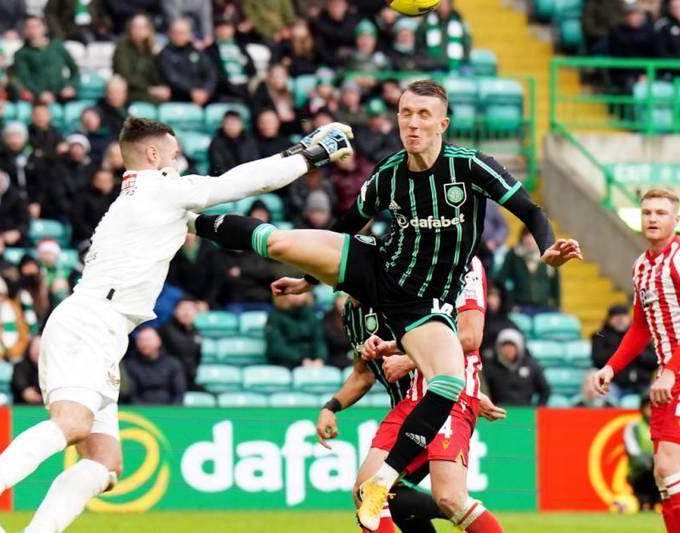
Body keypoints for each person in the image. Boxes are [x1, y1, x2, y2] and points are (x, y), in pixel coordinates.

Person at [190, 79, 581, 530]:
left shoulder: (470, 167)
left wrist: (547, 247)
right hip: (376, 267)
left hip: (421, 304)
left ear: (442, 123)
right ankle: (189, 218)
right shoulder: (389, 173)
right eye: (405, 113)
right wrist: (309, 276)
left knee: (449, 380)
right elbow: (349, 224)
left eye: (423, 115)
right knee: (277, 241)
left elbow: (530, 211)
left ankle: (386, 480)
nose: (412, 123)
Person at [0, 116, 353, 532]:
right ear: (154, 154)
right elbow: (247, 182)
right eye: (174, 154)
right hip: (91, 322)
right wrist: (310, 155)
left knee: (105, 463)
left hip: (101, 328)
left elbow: (215, 224)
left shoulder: (144, 199)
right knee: (72, 424)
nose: (179, 161)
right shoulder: (162, 188)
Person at [319, 256, 506, 532]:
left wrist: (405, 357)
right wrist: (332, 405)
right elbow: (366, 370)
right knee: (365, 490)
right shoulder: (414, 262)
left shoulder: (466, 264)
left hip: (447, 392)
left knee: (449, 498)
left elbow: (469, 337)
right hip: (414, 397)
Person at [593, 187, 680, 532]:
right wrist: (611, 367)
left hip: (673, 374)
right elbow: (640, 329)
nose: (653, 219)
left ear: (675, 218)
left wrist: (672, 371)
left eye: (661, 213)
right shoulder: (641, 266)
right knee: (664, 473)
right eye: (647, 213)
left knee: (668, 467)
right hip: (668, 377)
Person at [592, 304, 657, 400]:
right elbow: (598, 359)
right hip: (614, 384)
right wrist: (625, 351)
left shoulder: (640, 335)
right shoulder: (601, 336)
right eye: (616, 317)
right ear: (609, 319)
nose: (620, 319)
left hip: (642, 383)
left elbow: (654, 361)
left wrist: (636, 352)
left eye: (624, 316)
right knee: (604, 397)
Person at [11, 15, 79, 104]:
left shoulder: (57, 46)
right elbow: (25, 78)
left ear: (44, 28)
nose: (33, 30)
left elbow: (74, 70)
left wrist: (71, 86)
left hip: (62, 95)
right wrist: (39, 93)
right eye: (29, 27)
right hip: (38, 100)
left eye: (36, 26)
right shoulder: (21, 54)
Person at [497, 228, 561, 313]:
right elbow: (501, 279)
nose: (530, 240)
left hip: (544, 307)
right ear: (522, 237)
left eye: (534, 237)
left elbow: (555, 285)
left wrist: (557, 306)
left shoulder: (549, 256)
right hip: (520, 307)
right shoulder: (514, 254)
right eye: (527, 236)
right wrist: (509, 303)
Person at [112, 13, 171, 104]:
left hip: (146, 90)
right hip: (129, 91)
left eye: (143, 27)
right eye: (135, 27)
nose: (139, 30)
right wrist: (149, 89)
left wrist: (162, 88)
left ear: (149, 30)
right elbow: (126, 75)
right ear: (130, 29)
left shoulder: (150, 50)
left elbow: (155, 75)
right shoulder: (122, 48)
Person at [158, 18, 218, 106]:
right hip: (178, 99)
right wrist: (192, 91)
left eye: (183, 32)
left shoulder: (198, 52)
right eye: (176, 32)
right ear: (169, 34)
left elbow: (211, 74)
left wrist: (207, 91)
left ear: (190, 34)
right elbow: (172, 78)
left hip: (204, 98)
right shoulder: (165, 54)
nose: (179, 35)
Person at [484, 328, 551, 406]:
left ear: (519, 347)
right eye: (505, 346)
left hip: (525, 411)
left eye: (512, 346)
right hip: (499, 411)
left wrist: (537, 409)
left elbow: (545, 390)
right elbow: (484, 391)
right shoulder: (490, 368)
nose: (508, 350)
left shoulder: (531, 366)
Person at [124, 327, 186, 405]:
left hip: (169, 411)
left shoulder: (173, 364)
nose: (144, 344)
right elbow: (132, 395)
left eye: (147, 340)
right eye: (140, 340)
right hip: (140, 412)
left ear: (158, 341)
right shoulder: (130, 365)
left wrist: (170, 412)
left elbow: (179, 394)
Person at [266, 291, 327, 369]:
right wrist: (301, 359)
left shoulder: (311, 314)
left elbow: (319, 340)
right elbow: (277, 347)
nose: (298, 296)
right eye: (293, 293)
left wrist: (320, 358)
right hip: (285, 362)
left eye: (301, 292)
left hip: (310, 361)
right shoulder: (274, 316)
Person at [206, 14, 255, 102]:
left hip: (246, 87)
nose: (225, 31)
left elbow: (251, 69)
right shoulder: (211, 50)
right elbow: (215, 74)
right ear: (216, 30)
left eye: (228, 27)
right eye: (222, 28)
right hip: (226, 90)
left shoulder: (241, 47)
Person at [624, 395, 661, 510]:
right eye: (648, 407)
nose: (652, 410)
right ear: (642, 409)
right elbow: (633, 452)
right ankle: (645, 501)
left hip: (661, 471)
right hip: (640, 472)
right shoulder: (634, 426)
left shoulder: (666, 427)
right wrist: (652, 460)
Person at [158, 298, 203, 390]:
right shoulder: (165, 330)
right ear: (174, 311)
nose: (187, 313)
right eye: (183, 309)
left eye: (190, 310)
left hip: (189, 379)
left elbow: (198, 357)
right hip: (167, 380)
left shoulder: (197, 333)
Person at [414, 0, 471, 72]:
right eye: (440, 6)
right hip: (432, 67)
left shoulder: (459, 23)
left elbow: (466, 44)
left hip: (456, 66)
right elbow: (419, 45)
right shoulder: (426, 24)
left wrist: (464, 61)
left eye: (445, 5)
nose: (443, 9)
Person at [71, 168, 117, 244]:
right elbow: (77, 220)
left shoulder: (118, 198)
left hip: (111, 238)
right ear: (94, 181)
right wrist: (94, 235)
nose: (104, 184)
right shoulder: (82, 196)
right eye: (101, 181)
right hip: (86, 238)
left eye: (107, 181)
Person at [208, 110, 260, 176]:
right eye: (228, 123)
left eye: (234, 123)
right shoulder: (216, 142)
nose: (231, 127)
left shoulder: (249, 141)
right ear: (223, 125)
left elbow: (254, 163)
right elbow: (218, 167)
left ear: (241, 125)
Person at [44, 0, 112, 44]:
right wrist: (59, 33)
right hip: (70, 31)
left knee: (111, 42)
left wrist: (104, 25)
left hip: (93, 29)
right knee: (86, 38)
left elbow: (103, 13)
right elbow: (50, 12)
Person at [13, 335, 43, 405]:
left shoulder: (53, 369)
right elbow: (20, 382)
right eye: (34, 347)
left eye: (40, 348)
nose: (37, 351)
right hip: (22, 406)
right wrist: (25, 390)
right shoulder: (20, 366)